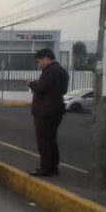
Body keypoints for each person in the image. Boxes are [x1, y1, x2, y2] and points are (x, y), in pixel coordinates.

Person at [26, 48, 69, 177]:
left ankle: (45, 168)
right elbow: (62, 90)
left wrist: (31, 84)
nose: (39, 65)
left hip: (45, 112)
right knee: (51, 140)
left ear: (46, 58)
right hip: (55, 110)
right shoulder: (62, 71)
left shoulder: (50, 71)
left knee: (44, 141)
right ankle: (53, 166)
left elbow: (41, 88)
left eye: (40, 62)